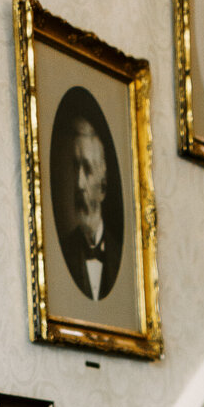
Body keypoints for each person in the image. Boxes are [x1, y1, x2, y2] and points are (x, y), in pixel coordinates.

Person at [59, 114, 121, 302]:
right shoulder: (63, 254)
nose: (78, 183)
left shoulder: (119, 257)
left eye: (86, 169)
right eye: (75, 166)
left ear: (102, 187)